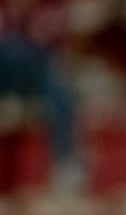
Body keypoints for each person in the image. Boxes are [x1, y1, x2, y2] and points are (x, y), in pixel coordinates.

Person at [0, 0, 85, 194]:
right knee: (12, 52)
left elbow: (61, 47)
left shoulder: (52, 6)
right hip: (5, 74)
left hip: (37, 77)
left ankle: (66, 164)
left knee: (59, 92)